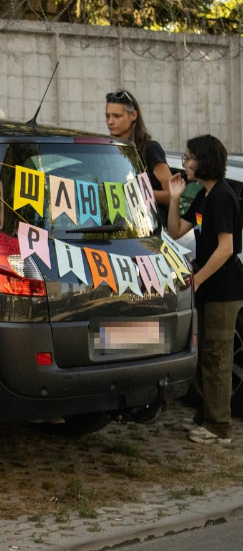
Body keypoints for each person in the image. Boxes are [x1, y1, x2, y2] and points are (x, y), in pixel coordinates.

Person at [167, 134, 243, 444]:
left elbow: (226, 248)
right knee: (204, 356)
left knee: (218, 358)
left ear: (204, 160)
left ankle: (219, 429)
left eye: (189, 158)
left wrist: (197, 279)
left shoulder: (223, 196)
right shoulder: (203, 195)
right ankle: (205, 417)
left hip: (224, 290)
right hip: (208, 290)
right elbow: (175, 230)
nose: (185, 163)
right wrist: (174, 197)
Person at [105, 90, 173, 224]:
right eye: (107, 116)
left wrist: (135, 194)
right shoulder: (108, 151)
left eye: (117, 116)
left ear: (133, 115)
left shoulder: (150, 149)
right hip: (118, 227)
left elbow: (171, 194)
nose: (110, 122)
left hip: (149, 230)